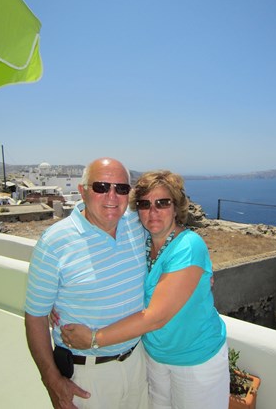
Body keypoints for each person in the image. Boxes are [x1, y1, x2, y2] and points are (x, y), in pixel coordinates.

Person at [55, 170, 230, 409]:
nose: (153, 211)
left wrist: (94, 339)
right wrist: (59, 300)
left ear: (176, 207)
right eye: (145, 204)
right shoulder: (141, 241)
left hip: (196, 361)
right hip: (154, 358)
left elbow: (156, 317)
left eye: (163, 203)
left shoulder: (188, 245)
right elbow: (101, 222)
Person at [24, 157, 149, 409]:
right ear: (83, 191)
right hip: (88, 378)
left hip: (138, 363)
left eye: (121, 188)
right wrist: (51, 380)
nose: (112, 196)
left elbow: (170, 227)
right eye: (101, 187)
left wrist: (199, 265)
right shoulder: (55, 242)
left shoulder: (137, 224)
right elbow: (35, 316)